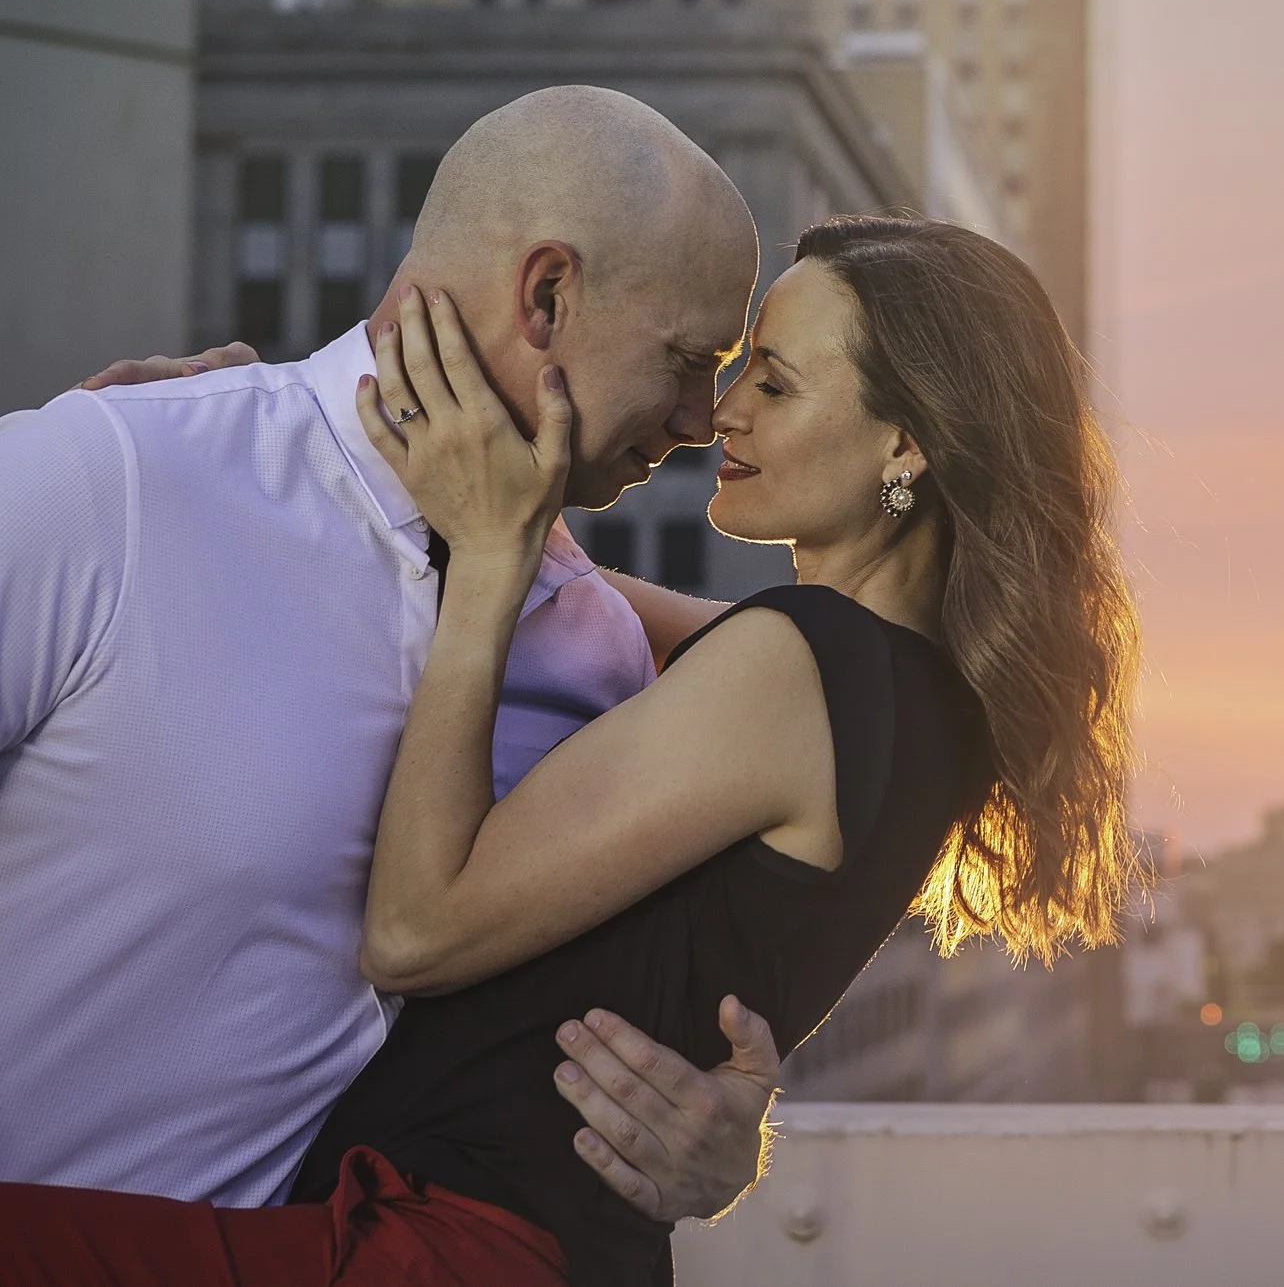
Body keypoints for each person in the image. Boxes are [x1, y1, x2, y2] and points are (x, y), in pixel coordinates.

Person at [0, 213, 1142, 1285]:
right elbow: (575, 591)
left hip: (441, 1247)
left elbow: (412, 931)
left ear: (907, 442)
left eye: (773, 381)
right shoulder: (918, 694)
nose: (721, 413)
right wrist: (243, 458)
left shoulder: (800, 666)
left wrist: (485, 554)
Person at [0, 90, 784, 1244]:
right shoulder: (114, 478)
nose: (701, 418)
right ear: (547, 294)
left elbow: (598, 1019)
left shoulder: (601, 651)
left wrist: (709, 1133)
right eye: (686, 359)